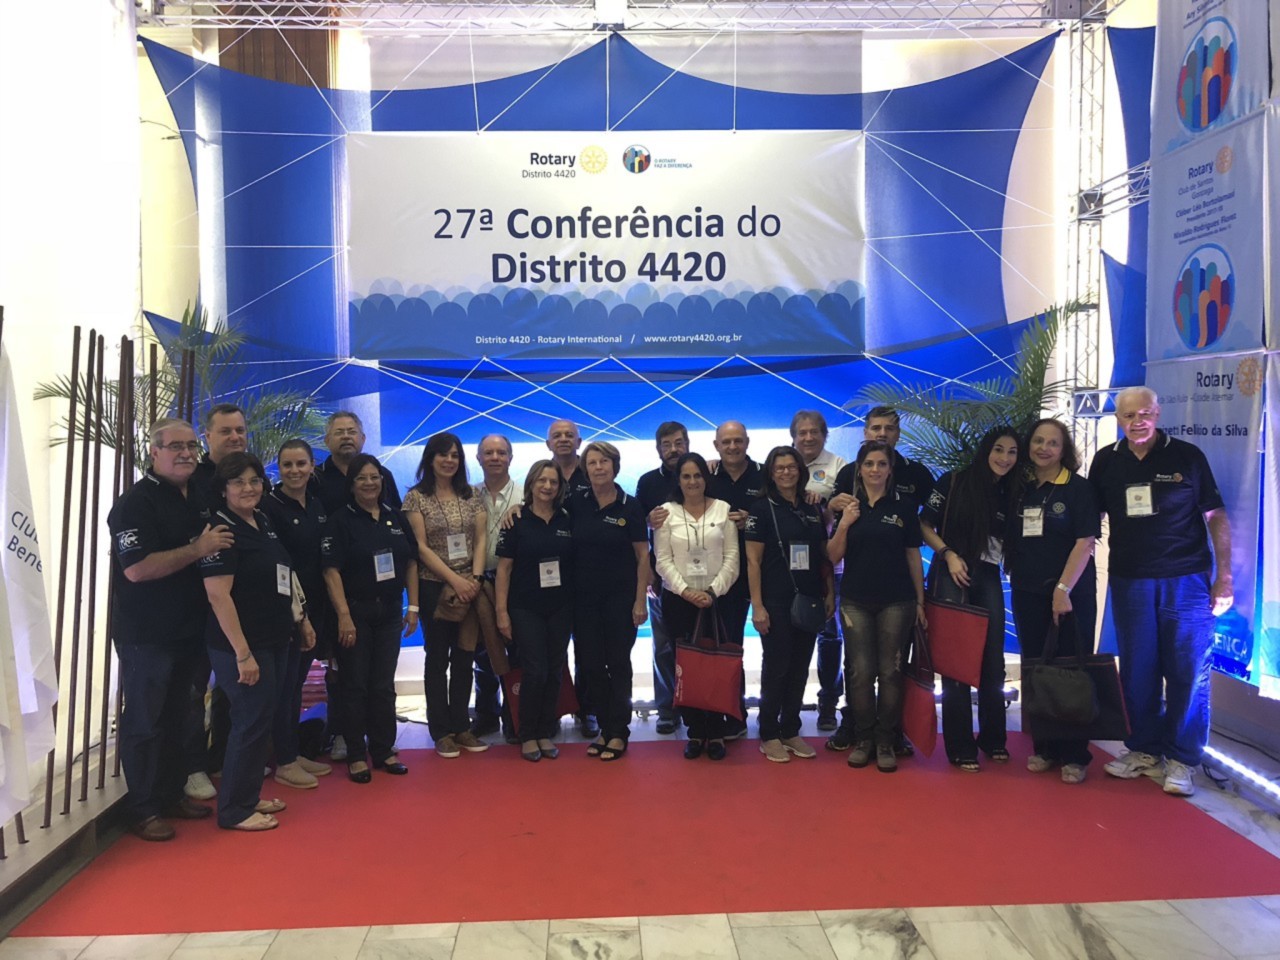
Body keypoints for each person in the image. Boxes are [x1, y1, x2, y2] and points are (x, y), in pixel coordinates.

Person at [1089, 386, 1233, 797]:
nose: (1138, 422)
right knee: (1137, 669)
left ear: (1157, 413)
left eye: (1145, 413)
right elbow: (1089, 518)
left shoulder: (1187, 456)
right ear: (1118, 419)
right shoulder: (1106, 460)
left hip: (1186, 580)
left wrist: (1224, 577)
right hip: (1130, 580)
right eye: (1129, 415)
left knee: (1188, 670)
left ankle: (1183, 759)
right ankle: (1144, 749)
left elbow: (1216, 515)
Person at [108, 418, 233, 840]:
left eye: (191, 446)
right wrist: (198, 549)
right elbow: (137, 569)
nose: (185, 453)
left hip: (190, 628)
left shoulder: (200, 492)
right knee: (145, 721)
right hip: (147, 633)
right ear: (154, 452)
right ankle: (143, 809)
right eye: (175, 446)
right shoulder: (134, 504)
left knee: (181, 715)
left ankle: (171, 793)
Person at [200, 452, 313, 831]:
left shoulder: (261, 520)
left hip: (275, 636)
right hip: (241, 645)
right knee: (249, 721)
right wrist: (243, 654)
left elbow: (283, 575)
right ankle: (234, 810)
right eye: (238, 482)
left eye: (254, 481)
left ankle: (247, 796)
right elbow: (218, 596)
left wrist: (300, 620)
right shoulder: (221, 531)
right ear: (223, 489)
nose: (248, 488)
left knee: (261, 718)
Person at [827, 405, 935, 754]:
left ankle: (888, 738)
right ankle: (863, 736)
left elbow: (913, 555)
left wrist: (920, 600)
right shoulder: (849, 501)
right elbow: (832, 555)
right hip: (855, 599)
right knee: (859, 671)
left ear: (891, 469)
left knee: (890, 671)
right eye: (870, 464)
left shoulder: (905, 505)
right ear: (860, 468)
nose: (875, 469)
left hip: (897, 600)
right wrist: (843, 521)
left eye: (882, 464)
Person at [920, 427, 1021, 772]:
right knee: (957, 663)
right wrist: (948, 554)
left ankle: (993, 739)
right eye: (998, 449)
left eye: (1012, 452)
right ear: (985, 450)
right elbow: (924, 524)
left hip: (988, 575)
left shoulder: (1013, 491)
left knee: (993, 660)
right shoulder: (954, 482)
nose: (1004, 458)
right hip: (952, 571)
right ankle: (960, 746)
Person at [1005, 419, 1099, 785]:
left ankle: (1075, 753)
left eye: (1053, 443)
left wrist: (1063, 589)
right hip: (1027, 591)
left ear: (1064, 450)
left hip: (1070, 594)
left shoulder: (1078, 488)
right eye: (1038, 441)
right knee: (1037, 667)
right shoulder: (1022, 489)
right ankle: (1044, 747)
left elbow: (1084, 543)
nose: (1044, 448)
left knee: (1071, 668)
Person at [322, 454, 420, 782]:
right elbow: (331, 571)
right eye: (361, 478)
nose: (369, 483)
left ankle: (383, 749)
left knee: (383, 685)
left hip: (390, 611)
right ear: (351, 485)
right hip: (355, 612)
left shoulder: (395, 517)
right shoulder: (340, 521)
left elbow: (410, 562)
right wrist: (344, 616)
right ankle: (355, 754)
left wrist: (413, 607)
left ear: (382, 481)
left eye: (374, 477)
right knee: (355, 685)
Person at [745, 445, 834, 763]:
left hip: (809, 599)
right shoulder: (760, 509)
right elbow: (753, 562)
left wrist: (829, 593)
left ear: (801, 470)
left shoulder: (812, 507)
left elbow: (823, 556)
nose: (786, 472)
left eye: (791, 467)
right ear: (771, 473)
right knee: (777, 667)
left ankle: (791, 729)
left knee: (799, 668)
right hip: (776, 600)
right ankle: (769, 733)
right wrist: (757, 606)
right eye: (779, 468)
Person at [402, 432, 489, 759]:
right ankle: (441, 731)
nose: (449, 460)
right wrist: (454, 580)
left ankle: (461, 726)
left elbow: (481, 539)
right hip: (434, 586)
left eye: (455, 455)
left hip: (470, 585)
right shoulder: (416, 498)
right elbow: (420, 547)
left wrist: (474, 579)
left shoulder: (472, 494)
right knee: (437, 659)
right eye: (443, 454)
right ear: (430, 458)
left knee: (465, 657)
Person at [184, 402, 251, 801]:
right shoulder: (191, 481)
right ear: (207, 436)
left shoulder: (251, 478)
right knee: (195, 689)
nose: (235, 437)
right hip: (193, 603)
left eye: (240, 430)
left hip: (238, 604)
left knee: (232, 687)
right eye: (226, 431)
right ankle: (193, 766)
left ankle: (224, 757)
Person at [655, 453, 741, 760]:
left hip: (719, 600)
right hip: (678, 601)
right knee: (685, 668)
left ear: (706, 478)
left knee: (716, 667)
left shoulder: (723, 509)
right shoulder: (666, 513)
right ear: (678, 480)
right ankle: (695, 730)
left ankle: (716, 731)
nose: (692, 482)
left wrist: (713, 592)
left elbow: (732, 557)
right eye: (686, 476)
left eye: (698, 475)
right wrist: (686, 591)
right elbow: (662, 560)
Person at [261, 438, 335, 789]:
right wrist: (298, 616)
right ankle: (285, 761)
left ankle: (291, 752)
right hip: (286, 611)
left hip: (315, 606)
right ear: (278, 468)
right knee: (284, 687)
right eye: (287, 465)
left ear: (311, 466)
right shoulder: (269, 506)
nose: (294, 471)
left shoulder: (317, 505)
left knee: (295, 686)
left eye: (301, 464)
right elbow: (279, 565)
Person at [571, 441, 648, 760]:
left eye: (604, 461)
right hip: (583, 601)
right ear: (585, 470)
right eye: (592, 462)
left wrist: (640, 601)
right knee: (591, 665)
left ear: (615, 466)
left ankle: (619, 731)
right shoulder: (575, 502)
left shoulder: (631, 506)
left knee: (617, 664)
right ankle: (605, 728)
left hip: (621, 600)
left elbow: (643, 556)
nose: (598, 467)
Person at [495, 461, 576, 762]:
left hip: (561, 606)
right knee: (535, 670)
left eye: (553, 482)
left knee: (555, 670)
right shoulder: (515, 520)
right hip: (524, 607)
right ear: (531, 484)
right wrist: (501, 612)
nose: (547, 486)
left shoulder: (567, 519)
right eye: (542, 480)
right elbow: (504, 570)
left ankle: (545, 730)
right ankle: (527, 733)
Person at [790, 410, 847, 732]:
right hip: (789, 568)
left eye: (814, 432)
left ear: (824, 435)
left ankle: (828, 703)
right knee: (790, 637)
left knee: (829, 635)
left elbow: (842, 516)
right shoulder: (781, 465)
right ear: (793, 437)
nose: (808, 437)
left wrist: (824, 507)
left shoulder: (839, 467)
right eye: (802, 432)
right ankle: (787, 704)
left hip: (829, 565)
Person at [707, 420, 765, 737]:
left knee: (751, 647)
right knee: (722, 647)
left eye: (738, 440)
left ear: (747, 442)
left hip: (760, 575)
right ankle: (722, 713)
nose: (732, 446)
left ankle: (758, 716)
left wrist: (751, 520)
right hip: (715, 577)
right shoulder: (706, 476)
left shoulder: (765, 474)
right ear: (716, 445)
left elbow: (780, 511)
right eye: (726, 442)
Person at [637, 421, 691, 735]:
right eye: (667, 444)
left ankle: (700, 706)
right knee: (663, 646)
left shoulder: (702, 475)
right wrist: (647, 520)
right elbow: (638, 532)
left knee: (698, 646)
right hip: (662, 578)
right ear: (658, 449)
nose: (673, 449)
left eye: (679, 443)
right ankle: (668, 709)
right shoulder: (647, 482)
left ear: (688, 444)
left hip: (702, 577)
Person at [544, 419, 595, 736]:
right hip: (550, 576)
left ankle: (587, 710)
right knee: (553, 650)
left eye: (569, 435)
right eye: (557, 435)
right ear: (548, 443)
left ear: (579, 441)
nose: (563, 439)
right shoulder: (543, 475)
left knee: (587, 649)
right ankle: (553, 709)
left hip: (588, 574)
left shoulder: (592, 472)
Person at [471, 433, 519, 742]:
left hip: (515, 582)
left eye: (501, 452)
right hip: (477, 580)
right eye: (488, 453)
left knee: (516, 652)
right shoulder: (467, 495)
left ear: (510, 457)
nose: (495, 458)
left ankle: (515, 716)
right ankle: (486, 716)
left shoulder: (527, 494)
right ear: (478, 458)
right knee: (482, 652)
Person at [315, 410, 402, 513]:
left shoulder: (382, 474)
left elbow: (396, 514)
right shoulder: (315, 477)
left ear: (363, 439)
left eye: (352, 432)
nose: (346, 437)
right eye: (339, 432)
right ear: (327, 440)